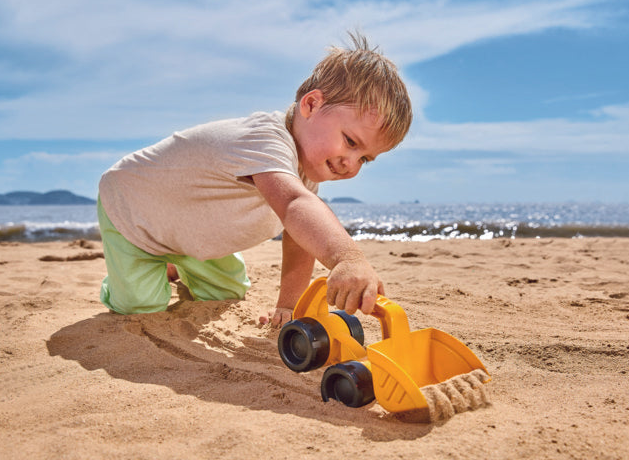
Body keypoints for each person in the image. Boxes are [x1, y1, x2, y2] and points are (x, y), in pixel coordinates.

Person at [97, 32, 412, 327]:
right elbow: (294, 204)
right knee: (140, 306)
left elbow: (299, 236)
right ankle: (127, 276)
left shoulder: (302, 171)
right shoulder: (265, 140)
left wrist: (289, 306)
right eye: (351, 142)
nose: (350, 164)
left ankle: (174, 263)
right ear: (312, 105)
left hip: (191, 232)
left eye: (365, 160)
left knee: (227, 293)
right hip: (134, 211)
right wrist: (347, 257)